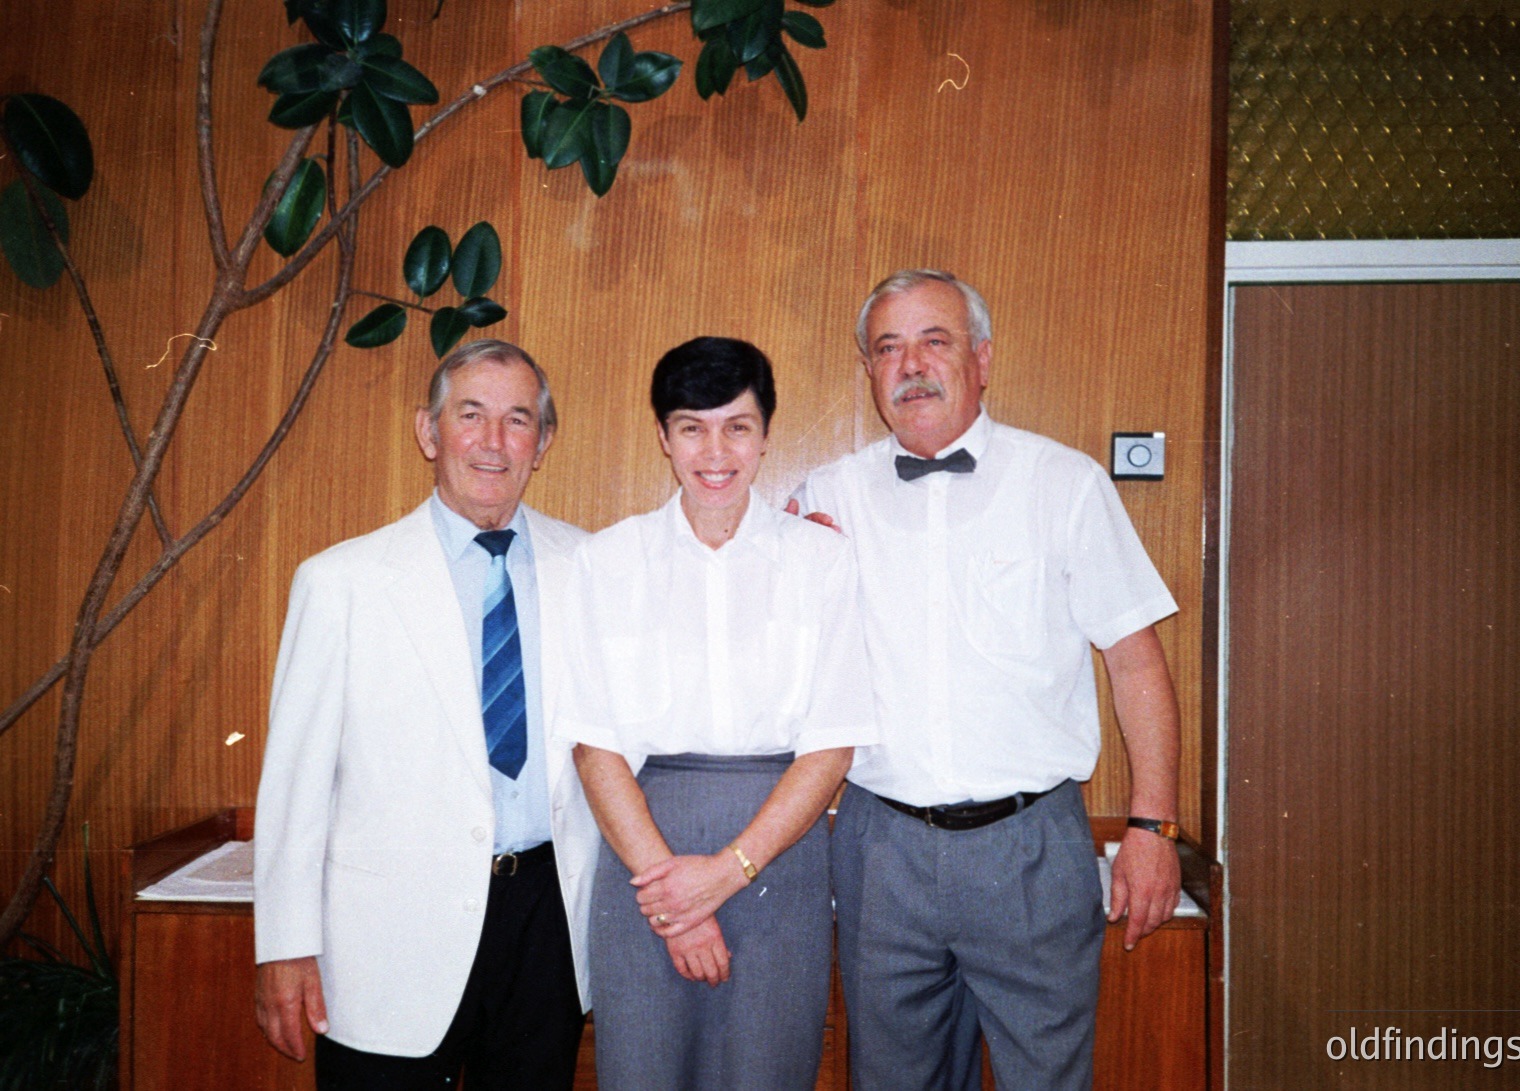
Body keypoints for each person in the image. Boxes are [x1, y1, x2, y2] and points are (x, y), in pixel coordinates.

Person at [791, 270, 1183, 1090]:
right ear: (867, 370)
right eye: (887, 348)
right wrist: (785, 565)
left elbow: (1135, 657)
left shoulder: (1064, 483)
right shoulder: (824, 499)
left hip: (1030, 849)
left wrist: (1152, 826)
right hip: (879, 847)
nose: (910, 365)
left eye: (933, 340)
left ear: (982, 358)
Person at [252, 339, 599, 1090]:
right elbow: (294, 782)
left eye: (517, 419)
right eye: (469, 414)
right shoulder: (341, 582)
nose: (492, 440)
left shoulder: (595, 569)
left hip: (547, 925)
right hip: (388, 939)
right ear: (428, 431)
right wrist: (283, 942)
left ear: (542, 444)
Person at [555, 336, 877, 1090]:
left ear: (766, 435)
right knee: (642, 1071)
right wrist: (678, 900)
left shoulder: (820, 561)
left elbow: (832, 746)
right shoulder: (608, 561)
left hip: (779, 853)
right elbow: (594, 746)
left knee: (768, 1072)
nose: (715, 450)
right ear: (663, 438)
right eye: (691, 427)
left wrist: (729, 872)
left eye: (737, 425)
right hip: (644, 858)